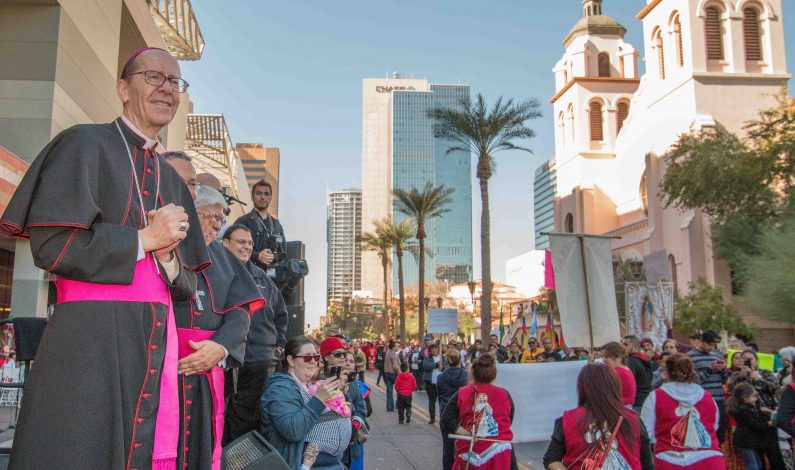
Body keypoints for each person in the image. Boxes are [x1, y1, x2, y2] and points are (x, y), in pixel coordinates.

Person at [0, 47, 210, 469]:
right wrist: (144, 240)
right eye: (154, 77)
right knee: (79, 447)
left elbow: (187, 284)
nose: (167, 90)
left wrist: (168, 255)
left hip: (153, 340)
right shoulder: (84, 142)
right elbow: (53, 247)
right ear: (123, 87)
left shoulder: (171, 178)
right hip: (91, 337)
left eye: (175, 83)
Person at [170, 185, 264, 469]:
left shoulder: (224, 260)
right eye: (214, 217)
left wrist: (221, 347)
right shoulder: (164, 246)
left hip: (205, 371)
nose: (218, 225)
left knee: (201, 445)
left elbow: (240, 311)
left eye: (222, 219)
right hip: (163, 366)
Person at [220, 223, 289, 444]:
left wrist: (277, 345)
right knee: (227, 418)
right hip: (226, 361)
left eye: (250, 243)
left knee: (257, 419)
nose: (247, 247)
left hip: (261, 361)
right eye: (241, 242)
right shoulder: (213, 271)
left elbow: (281, 314)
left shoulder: (262, 278)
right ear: (225, 243)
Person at [543, 363, 653, 470]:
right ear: (615, 386)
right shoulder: (633, 419)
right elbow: (647, 464)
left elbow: (551, 459)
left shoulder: (568, 420)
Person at [261, 336, 347, 470]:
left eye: (316, 357)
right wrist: (319, 399)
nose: (313, 362)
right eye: (307, 357)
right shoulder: (280, 388)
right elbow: (292, 430)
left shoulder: (308, 385)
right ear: (291, 360)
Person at [641, 354, 725, 469]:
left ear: (667, 372)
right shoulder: (707, 397)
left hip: (669, 460)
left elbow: (646, 432)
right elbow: (714, 426)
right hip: (709, 459)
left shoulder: (656, 396)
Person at [441, 354, 518, 470]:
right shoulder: (505, 394)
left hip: (471, 450)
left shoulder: (463, 392)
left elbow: (446, 419)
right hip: (501, 452)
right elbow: (509, 419)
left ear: (473, 372)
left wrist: (466, 433)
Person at [728, 383, 786, 470]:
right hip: (746, 443)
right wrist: (769, 423)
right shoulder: (744, 410)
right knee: (753, 465)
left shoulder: (749, 407)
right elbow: (756, 425)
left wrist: (765, 411)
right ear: (744, 398)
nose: (756, 399)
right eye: (754, 397)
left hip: (750, 442)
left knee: (758, 464)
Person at [234, 179, 285, 275]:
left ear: (270, 198)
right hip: (248, 276)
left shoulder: (277, 225)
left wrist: (274, 257)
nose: (262, 197)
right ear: (252, 197)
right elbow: (234, 249)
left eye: (266, 194)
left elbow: (284, 253)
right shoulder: (243, 222)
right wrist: (258, 256)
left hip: (273, 281)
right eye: (258, 193)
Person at [687, 330, 729, 443]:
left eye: (713, 345)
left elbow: (725, 380)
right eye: (709, 344)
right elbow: (694, 381)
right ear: (702, 341)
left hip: (719, 400)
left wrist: (723, 369)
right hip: (702, 400)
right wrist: (710, 369)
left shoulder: (717, 355)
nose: (711, 348)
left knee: (720, 433)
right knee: (704, 433)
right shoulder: (690, 357)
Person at [437, 348, 469, 470]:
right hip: (461, 413)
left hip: (446, 412)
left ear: (447, 361)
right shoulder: (466, 376)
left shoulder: (441, 377)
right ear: (459, 360)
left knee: (447, 446)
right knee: (463, 445)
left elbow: (439, 394)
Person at [624, 335, 654, 412]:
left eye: (626, 345)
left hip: (636, 402)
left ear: (634, 346)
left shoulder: (632, 361)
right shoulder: (645, 360)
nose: (623, 347)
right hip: (645, 400)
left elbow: (629, 382)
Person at [603, 342, 636, 408]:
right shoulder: (625, 369)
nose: (603, 360)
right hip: (624, 407)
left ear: (618, 358)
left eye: (606, 357)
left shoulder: (618, 372)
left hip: (619, 409)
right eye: (602, 356)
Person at [422, 343, 442, 424]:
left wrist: (442, 367)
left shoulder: (442, 358)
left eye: (436, 348)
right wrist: (436, 364)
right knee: (432, 401)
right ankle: (432, 418)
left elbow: (446, 367)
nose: (434, 350)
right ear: (430, 350)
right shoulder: (427, 359)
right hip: (430, 383)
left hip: (440, 383)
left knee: (442, 402)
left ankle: (442, 418)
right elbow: (426, 366)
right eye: (432, 348)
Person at [383, 340, 401, 412]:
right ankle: (398, 405)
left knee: (389, 391)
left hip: (386, 372)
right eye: (397, 346)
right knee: (400, 389)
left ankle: (389, 407)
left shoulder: (388, 352)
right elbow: (395, 366)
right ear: (394, 347)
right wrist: (400, 374)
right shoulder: (394, 354)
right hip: (393, 373)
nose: (398, 347)